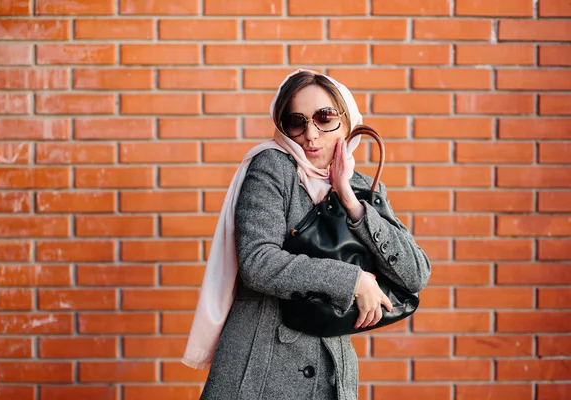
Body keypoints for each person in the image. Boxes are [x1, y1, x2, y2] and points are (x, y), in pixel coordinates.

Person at [183, 70, 431, 399]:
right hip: (263, 365)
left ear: (347, 119)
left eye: (324, 118)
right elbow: (258, 261)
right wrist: (353, 280)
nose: (311, 135)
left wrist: (351, 203)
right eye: (297, 122)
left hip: (331, 372)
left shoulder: (363, 187)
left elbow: (415, 274)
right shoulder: (272, 166)